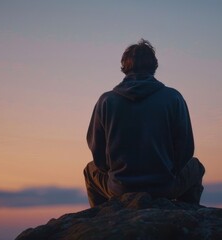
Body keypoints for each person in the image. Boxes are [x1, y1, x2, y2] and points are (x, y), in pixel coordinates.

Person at [83, 39, 205, 207]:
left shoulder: (106, 101)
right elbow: (186, 148)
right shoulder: (173, 97)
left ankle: (103, 218)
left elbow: (97, 152)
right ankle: (186, 215)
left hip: (120, 189)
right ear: (154, 66)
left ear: (124, 67)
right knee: (196, 167)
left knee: (90, 171)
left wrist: (117, 174)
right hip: (164, 187)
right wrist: (168, 172)